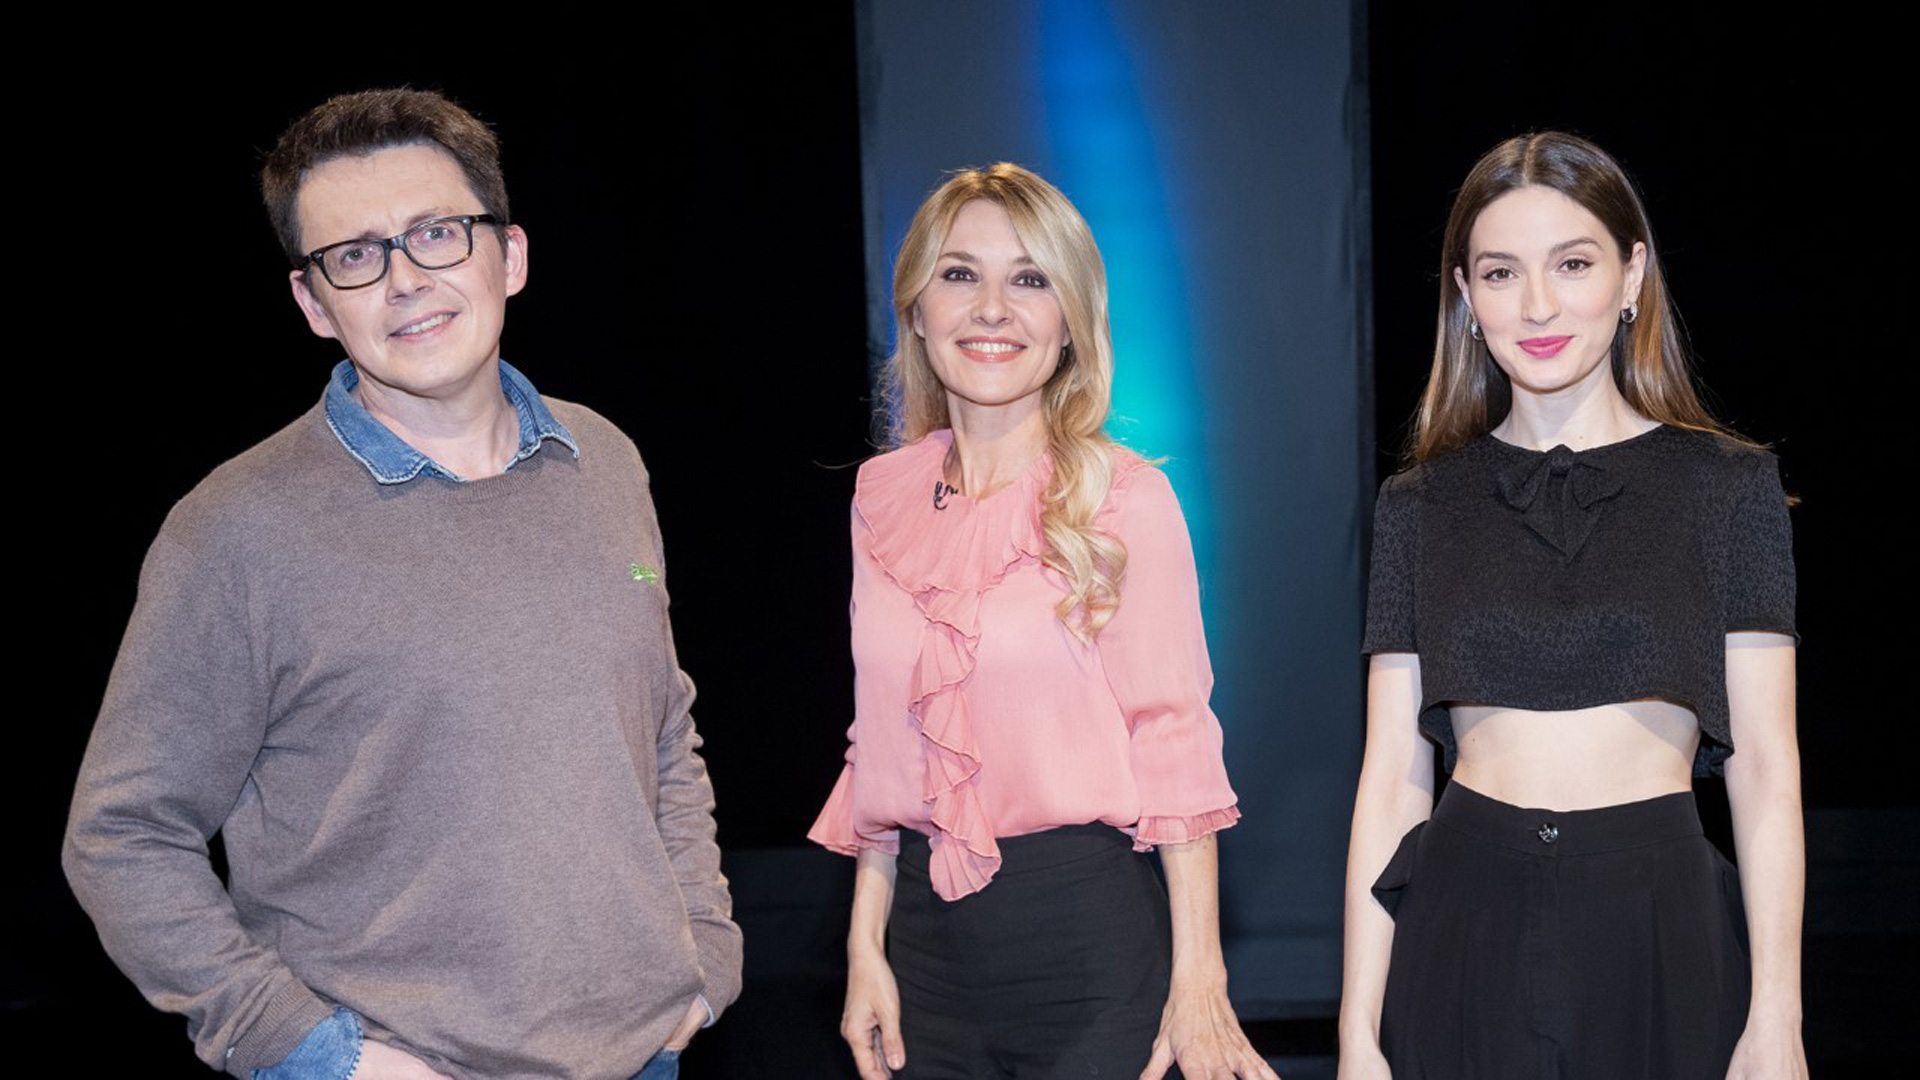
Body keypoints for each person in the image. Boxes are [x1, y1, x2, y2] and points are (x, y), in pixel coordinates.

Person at [62, 89, 739, 1080]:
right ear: (314, 304)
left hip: (645, 1055)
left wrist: (703, 958)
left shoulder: (603, 459)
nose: (406, 281)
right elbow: (123, 836)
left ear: (510, 255)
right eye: (355, 256)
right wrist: (314, 1053)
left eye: (436, 234)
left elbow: (662, 730)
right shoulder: (237, 530)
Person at [1339, 132, 1805, 1079]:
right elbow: (1391, 778)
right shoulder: (1419, 505)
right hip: (1461, 919)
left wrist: (1778, 1017)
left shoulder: (1728, 488)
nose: (1538, 305)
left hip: (1658, 920)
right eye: (1501, 272)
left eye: (1573, 264)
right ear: (1466, 297)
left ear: (1631, 274)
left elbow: (1765, 769)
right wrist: (1356, 1031)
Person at [807, 163, 1276, 1080]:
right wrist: (865, 947)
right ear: (916, 310)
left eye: (1029, 279)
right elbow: (882, 744)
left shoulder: (1125, 499)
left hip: (1087, 953)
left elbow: (1173, 740)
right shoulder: (879, 496)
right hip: (921, 960)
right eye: (959, 274)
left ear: (1069, 321)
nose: (992, 308)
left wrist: (1200, 978)